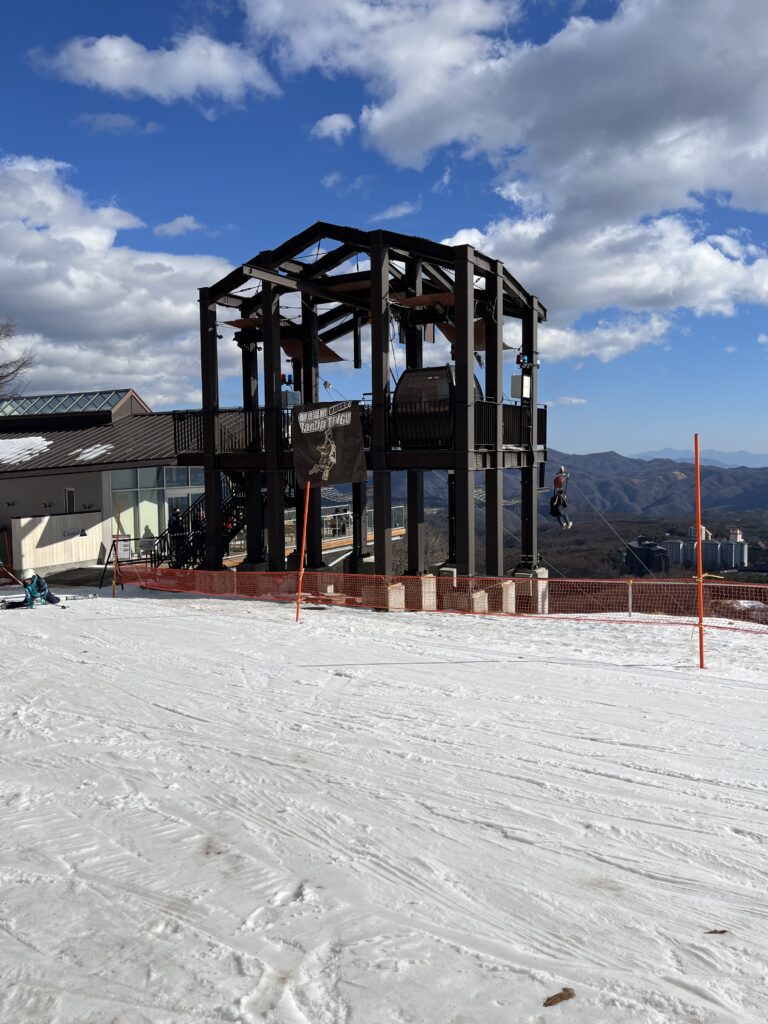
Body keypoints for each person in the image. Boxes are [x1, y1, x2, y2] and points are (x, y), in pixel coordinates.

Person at [550, 465, 572, 529]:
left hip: (555, 502)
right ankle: (568, 524)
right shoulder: (561, 479)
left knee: (558, 515)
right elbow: (565, 505)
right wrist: (566, 476)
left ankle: (562, 525)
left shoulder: (556, 479)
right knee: (563, 514)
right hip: (560, 499)